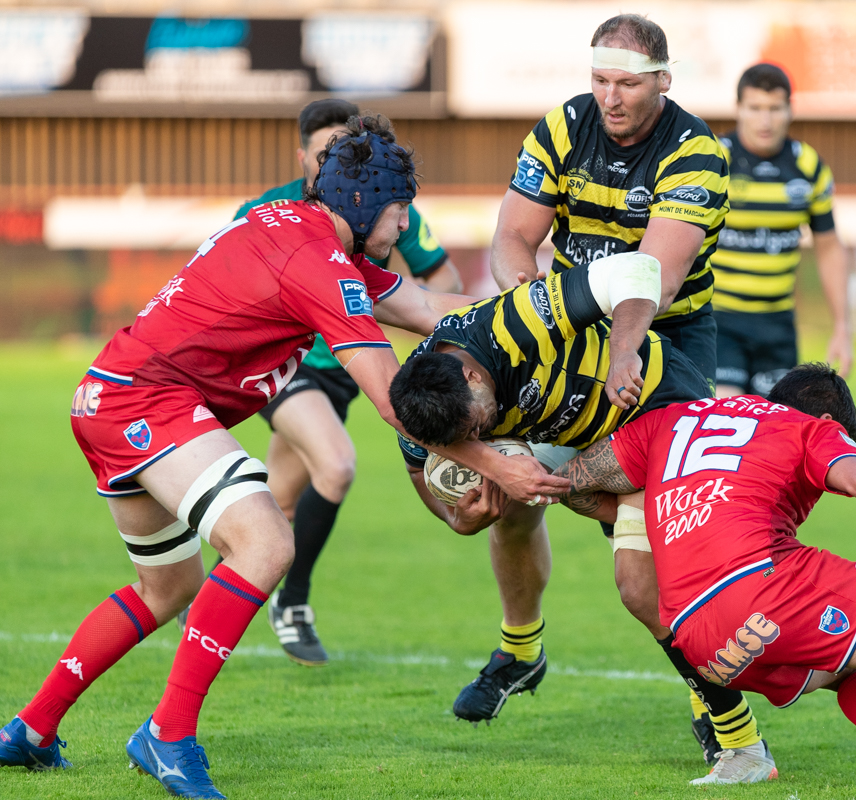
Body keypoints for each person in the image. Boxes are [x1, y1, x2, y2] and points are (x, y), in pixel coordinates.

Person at [0, 115, 477, 798]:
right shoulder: (318, 261)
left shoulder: (302, 229)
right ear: (370, 205)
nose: (404, 230)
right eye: (401, 214)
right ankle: (168, 735)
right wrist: (501, 466)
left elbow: (431, 304)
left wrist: (547, 310)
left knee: (165, 589)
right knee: (265, 542)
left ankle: (31, 729)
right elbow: (391, 398)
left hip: (111, 397)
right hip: (145, 403)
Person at [466, 12, 748, 762]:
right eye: (599, 81)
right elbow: (513, 237)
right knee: (511, 491)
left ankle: (712, 700)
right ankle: (521, 650)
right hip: (568, 333)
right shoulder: (562, 129)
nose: (610, 98)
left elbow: (648, 278)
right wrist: (528, 302)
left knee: (648, 564)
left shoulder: (696, 155)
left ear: (664, 79)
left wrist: (622, 349)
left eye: (627, 83)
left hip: (665, 349)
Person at [554, 363, 856, 794]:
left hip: (701, 645)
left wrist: (646, 516)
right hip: (763, 587)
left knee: (851, 665)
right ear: (832, 423)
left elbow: (571, 483)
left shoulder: (671, 419)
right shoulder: (807, 428)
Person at [390, 252, 776, 781]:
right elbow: (423, 480)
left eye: (476, 425)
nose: (474, 441)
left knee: (650, 586)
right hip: (576, 438)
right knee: (517, 508)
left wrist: (623, 352)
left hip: (660, 411)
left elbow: (636, 270)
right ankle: (523, 653)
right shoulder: (422, 408)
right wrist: (462, 520)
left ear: (472, 372)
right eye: (463, 442)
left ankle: (753, 723)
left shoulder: (510, 324)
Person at [186, 98, 463, 667]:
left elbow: (438, 284)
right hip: (286, 366)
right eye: (323, 156)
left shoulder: (383, 211)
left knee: (281, 501)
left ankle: (215, 600)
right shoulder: (269, 210)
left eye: (345, 154)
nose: (334, 167)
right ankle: (292, 603)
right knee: (336, 464)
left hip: (344, 374)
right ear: (303, 156)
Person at [712, 63, 852, 398]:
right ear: (738, 109)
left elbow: (829, 247)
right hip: (719, 321)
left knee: (774, 430)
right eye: (755, 108)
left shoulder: (807, 167)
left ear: (790, 110)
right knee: (727, 411)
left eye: (774, 109)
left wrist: (842, 327)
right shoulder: (714, 160)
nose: (765, 120)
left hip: (777, 326)